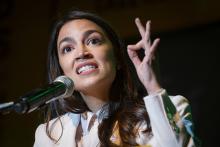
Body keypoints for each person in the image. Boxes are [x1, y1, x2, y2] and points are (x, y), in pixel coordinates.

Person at [33, 10, 199, 147]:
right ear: (62, 69)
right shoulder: (48, 135)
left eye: (93, 40)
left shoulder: (168, 109)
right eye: (68, 49)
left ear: (118, 58)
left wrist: (152, 87)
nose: (81, 53)